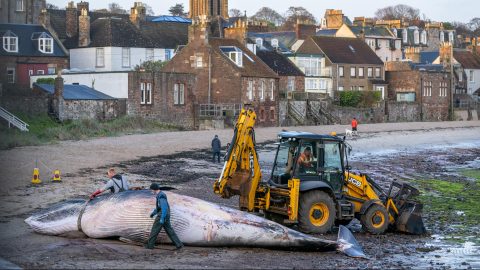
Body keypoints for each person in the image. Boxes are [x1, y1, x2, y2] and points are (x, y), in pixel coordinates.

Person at [145, 183, 184, 250]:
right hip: (165, 214)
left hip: (162, 215)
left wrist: (162, 218)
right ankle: (179, 245)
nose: (151, 191)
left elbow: (164, 207)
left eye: (151, 190)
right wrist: (154, 213)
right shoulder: (160, 194)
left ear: (154, 189)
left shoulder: (161, 196)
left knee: (154, 230)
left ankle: (150, 245)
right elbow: (159, 207)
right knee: (170, 231)